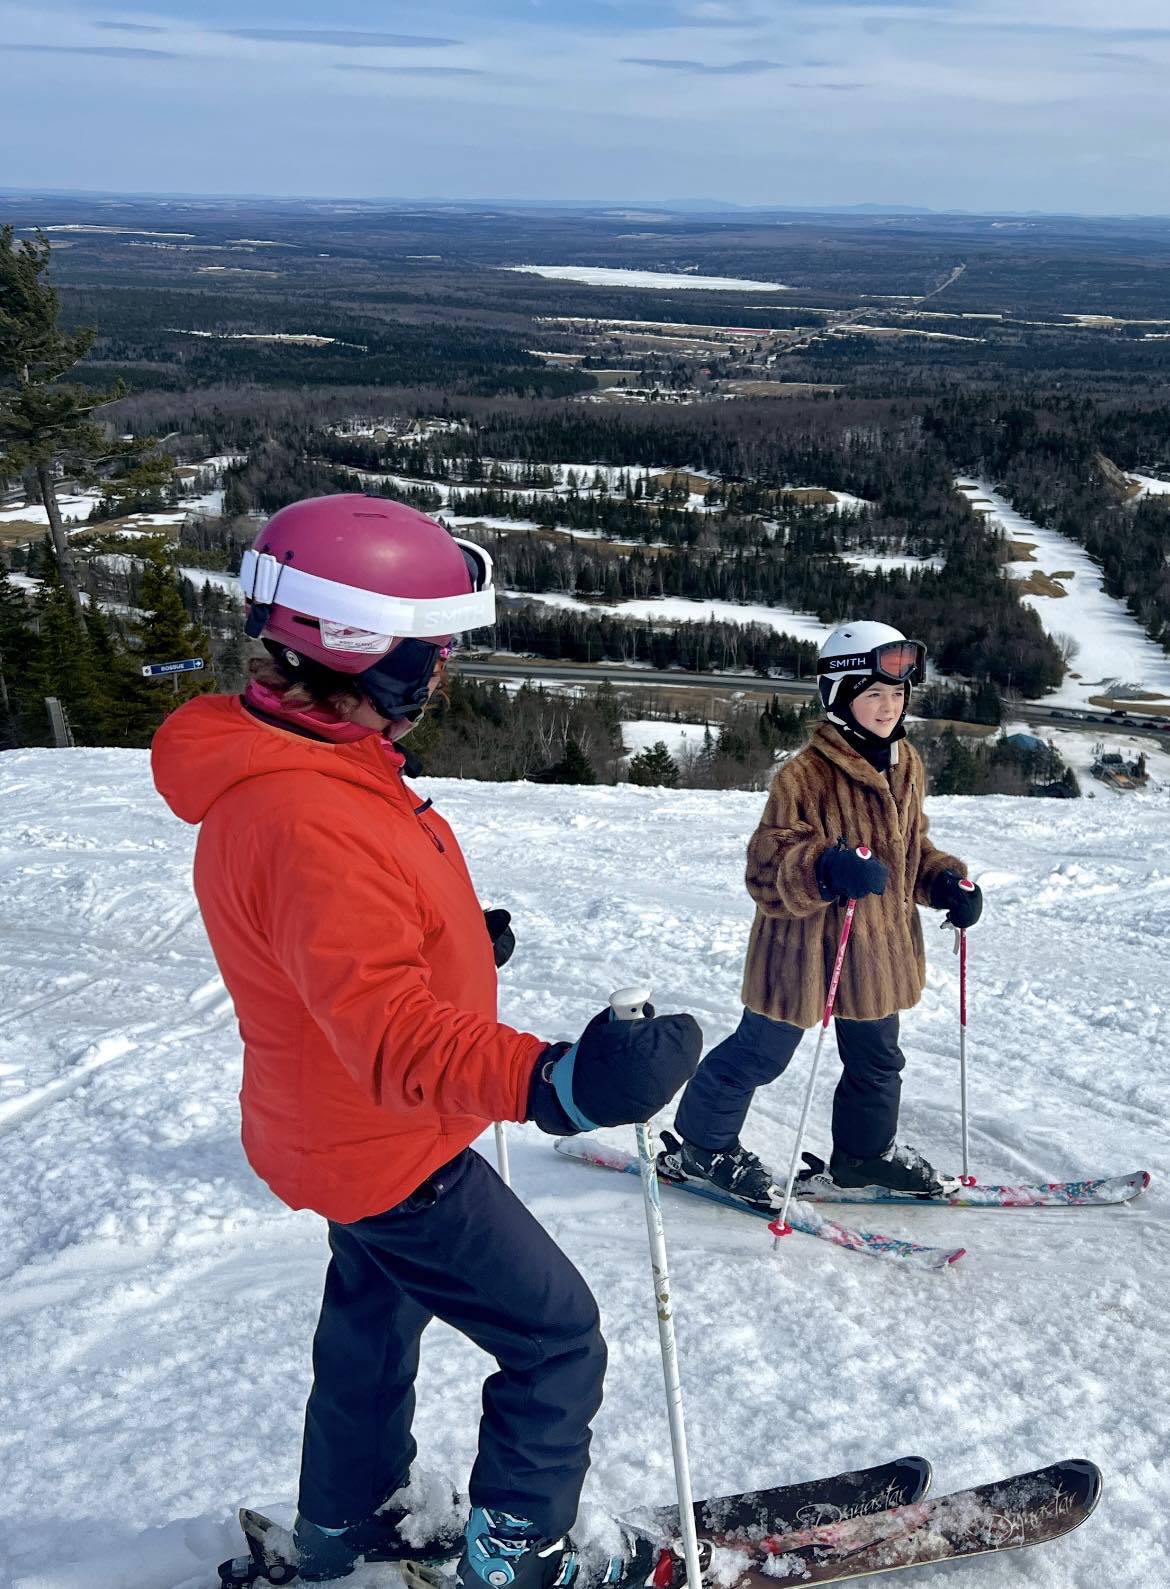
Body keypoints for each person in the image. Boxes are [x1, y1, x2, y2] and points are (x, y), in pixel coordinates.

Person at [151, 495, 701, 1587]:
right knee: (555, 1338)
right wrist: (560, 1082)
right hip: (386, 1141)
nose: (442, 669)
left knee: (372, 1325)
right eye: (431, 647)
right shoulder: (306, 814)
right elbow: (389, 1031)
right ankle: (518, 1559)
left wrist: (451, 941)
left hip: (329, 1130)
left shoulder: (298, 764)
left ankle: (345, 1525)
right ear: (362, 647)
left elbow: (341, 956)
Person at [660, 621, 982, 1208]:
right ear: (839, 695)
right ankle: (702, 1147)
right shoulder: (803, 775)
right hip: (803, 949)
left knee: (877, 1059)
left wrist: (943, 882)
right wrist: (825, 868)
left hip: (875, 949)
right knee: (761, 1054)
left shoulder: (905, 762)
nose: (889, 706)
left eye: (897, 693)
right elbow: (766, 866)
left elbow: (911, 849)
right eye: (874, 693)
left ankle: (862, 1158)